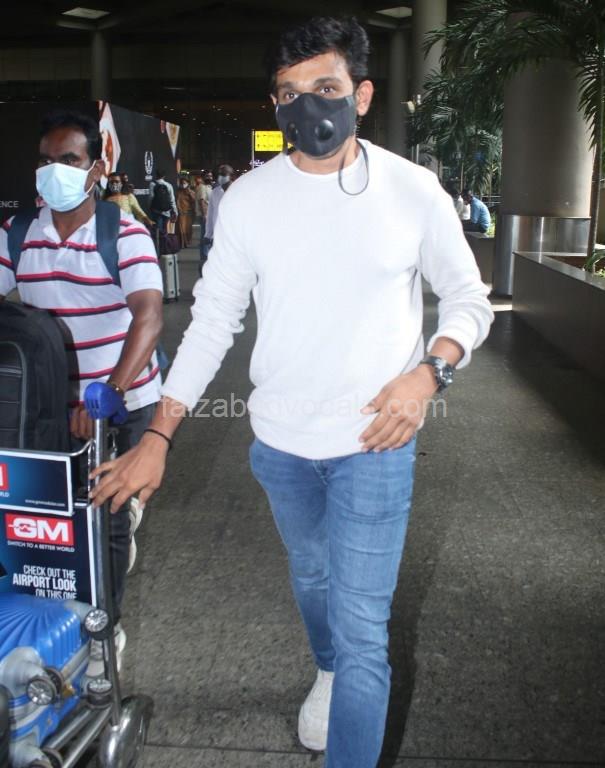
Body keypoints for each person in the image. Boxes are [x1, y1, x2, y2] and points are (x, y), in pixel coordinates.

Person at [90, 16, 493, 768]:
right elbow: (212, 322)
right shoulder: (250, 199)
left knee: (365, 630)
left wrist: (427, 373)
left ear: (361, 96)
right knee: (311, 576)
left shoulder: (412, 192)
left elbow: (469, 300)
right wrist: (158, 435)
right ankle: (328, 669)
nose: (308, 107)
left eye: (326, 87)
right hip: (280, 447)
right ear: (274, 103)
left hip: (375, 443)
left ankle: (348, 674)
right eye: (288, 93)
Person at [0, 109, 164, 672]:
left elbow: (148, 317)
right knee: (48, 515)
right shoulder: (19, 234)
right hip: (50, 401)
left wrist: (110, 390)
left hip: (122, 397)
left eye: (69, 160)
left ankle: (103, 630)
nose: (55, 171)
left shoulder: (124, 234)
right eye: (46, 161)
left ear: (96, 169)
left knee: (104, 518)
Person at [201, 164, 233, 260]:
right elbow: (210, 214)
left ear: (231, 176)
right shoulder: (215, 192)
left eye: (224, 174)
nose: (221, 177)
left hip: (232, 235)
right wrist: (208, 234)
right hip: (217, 235)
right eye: (219, 174)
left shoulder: (237, 191)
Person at [148, 169, 177, 236]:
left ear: (156, 175)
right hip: (166, 211)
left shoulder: (152, 184)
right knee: (165, 229)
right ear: (164, 176)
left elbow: (151, 197)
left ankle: (158, 241)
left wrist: (149, 206)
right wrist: (175, 211)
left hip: (156, 211)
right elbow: (172, 199)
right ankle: (164, 241)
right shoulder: (168, 185)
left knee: (157, 229)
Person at [176, 175, 196, 248]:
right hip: (182, 212)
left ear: (188, 183)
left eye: (184, 183)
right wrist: (179, 210)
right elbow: (177, 201)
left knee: (188, 228)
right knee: (182, 228)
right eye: (182, 183)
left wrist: (189, 192)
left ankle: (187, 242)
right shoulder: (179, 192)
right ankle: (182, 243)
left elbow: (194, 201)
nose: (183, 184)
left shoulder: (191, 192)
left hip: (189, 212)